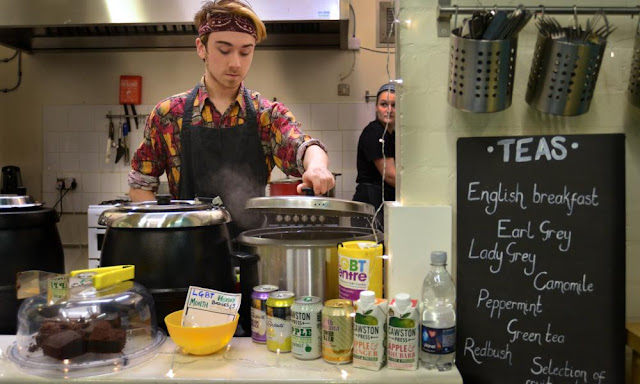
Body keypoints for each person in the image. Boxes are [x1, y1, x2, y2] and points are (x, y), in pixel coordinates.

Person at [128, 0, 334, 236]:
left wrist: (317, 167)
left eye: (245, 52)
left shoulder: (265, 115)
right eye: (224, 50)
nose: (236, 63)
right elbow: (140, 184)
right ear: (201, 48)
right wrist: (163, 236)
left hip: (251, 255)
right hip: (187, 254)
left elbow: (303, 146)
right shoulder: (168, 114)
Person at [352, 83, 396, 231]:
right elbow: (390, 175)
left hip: (382, 202)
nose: (389, 110)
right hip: (371, 204)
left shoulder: (392, 135)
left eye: (394, 105)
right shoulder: (374, 133)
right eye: (384, 104)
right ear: (376, 107)